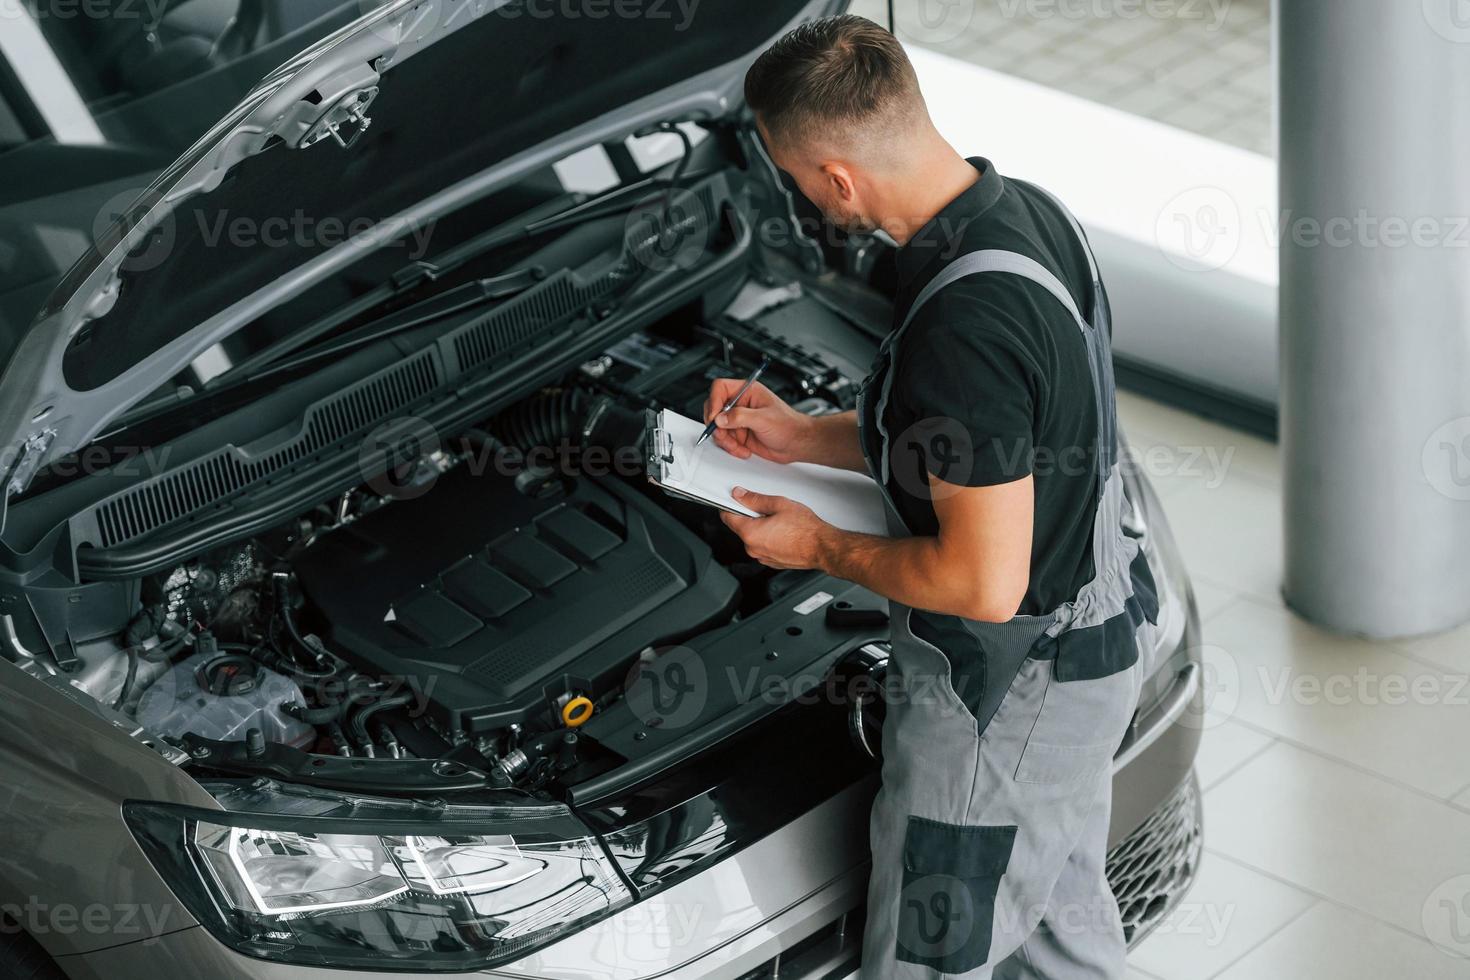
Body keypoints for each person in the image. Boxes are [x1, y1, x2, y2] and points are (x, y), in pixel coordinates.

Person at [708, 15, 1160, 979]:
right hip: (1095, 640)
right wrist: (801, 436)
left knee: (927, 957)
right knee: (1055, 935)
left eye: (799, 183)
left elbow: (981, 581)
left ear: (836, 177)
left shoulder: (963, 324)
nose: (805, 202)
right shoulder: (1023, 213)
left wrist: (816, 546)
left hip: (1010, 694)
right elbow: (981, 449)